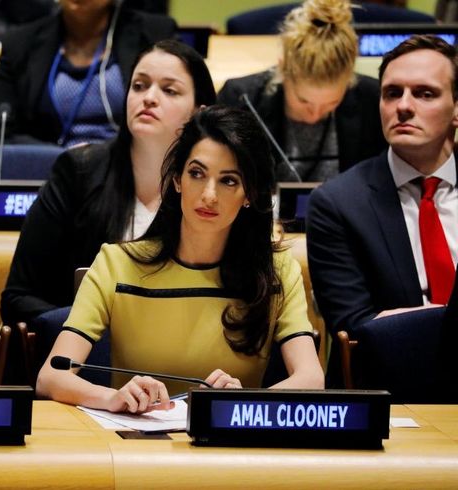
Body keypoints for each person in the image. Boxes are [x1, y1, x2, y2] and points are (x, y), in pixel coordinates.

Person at [36, 106, 323, 413]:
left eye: (229, 181)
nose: (209, 195)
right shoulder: (116, 264)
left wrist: (243, 403)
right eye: (197, 174)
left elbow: (311, 378)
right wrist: (112, 397)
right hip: (137, 442)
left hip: (228, 446)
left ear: (249, 194)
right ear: (177, 180)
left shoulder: (277, 272)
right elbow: (51, 377)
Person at [0, 39, 216, 327]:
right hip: (89, 358)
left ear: (199, 113)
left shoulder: (213, 189)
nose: (149, 97)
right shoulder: (78, 171)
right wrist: (84, 329)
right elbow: (18, 297)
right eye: (139, 86)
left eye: (169, 90)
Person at [307, 34, 458, 339]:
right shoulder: (337, 204)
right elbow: (354, 327)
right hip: (397, 376)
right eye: (391, 93)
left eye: (425, 93)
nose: (403, 106)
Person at [217, 0, 386, 182]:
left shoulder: (373, 100)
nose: (315, 115)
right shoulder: (241, 101)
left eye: (332, 103)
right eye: (303, 101)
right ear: (282, 71)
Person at [0, 0, 176, 147]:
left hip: (129, 171)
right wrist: (67, 161)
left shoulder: (155, 35)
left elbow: (179, 120)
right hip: (50, 173)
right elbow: (1, 135)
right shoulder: (20, 44)